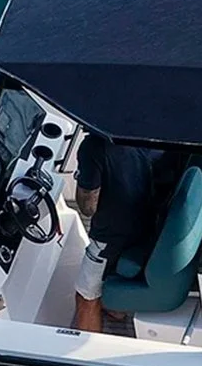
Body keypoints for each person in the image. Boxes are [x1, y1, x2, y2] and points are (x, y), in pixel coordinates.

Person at [71, 131, 183, 333]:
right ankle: (116, 311)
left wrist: (83, 177)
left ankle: (85, 351)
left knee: (85, 295)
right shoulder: (152, 131)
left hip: (112, 238)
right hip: (149, 226)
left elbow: (88, 206)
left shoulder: (94, 147)